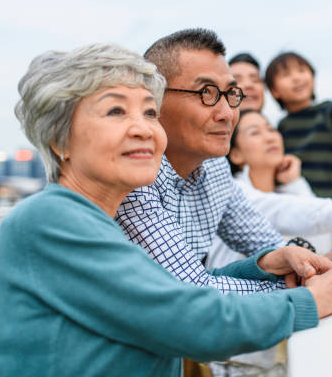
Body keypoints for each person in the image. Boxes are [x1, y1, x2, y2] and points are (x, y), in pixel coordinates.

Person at [0, 43, 332, 376]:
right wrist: (312, 300)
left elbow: (168, 292)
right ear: (60, 141)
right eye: (116, 111)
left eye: (150, 113)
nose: (142, 128)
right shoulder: (51, 220)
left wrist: (263, 266)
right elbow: (191, 320)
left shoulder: (95, 219)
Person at [116, 29, 297, 294]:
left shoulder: (214, 167)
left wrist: (306, 266)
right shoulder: (135, 176)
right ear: (153, 102)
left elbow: (265, 241)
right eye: (206, 93)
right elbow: (191, 291)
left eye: (231, 93)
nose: (226, 114)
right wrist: (305, 293)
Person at [207, 110, 332, 268]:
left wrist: (294, 182)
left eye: (271, 129)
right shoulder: (232, 189)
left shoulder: (284, 193)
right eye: (255, 133)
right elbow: (279, 210)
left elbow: (322, 243)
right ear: (235, 154)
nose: (270, 137)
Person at [265, 37, 332, 199]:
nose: (296, 78)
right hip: (292, 198)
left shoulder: (326, 113)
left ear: (313, 78)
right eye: (286, 75)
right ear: (274, 91)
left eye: (302, 71)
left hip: (325, 199)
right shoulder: (280, 127)